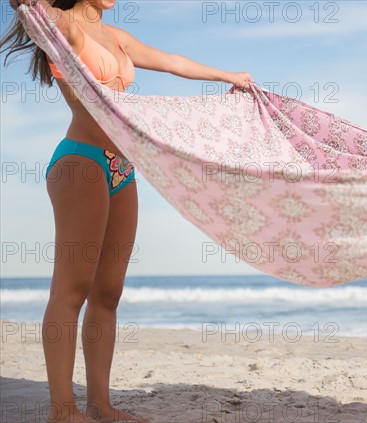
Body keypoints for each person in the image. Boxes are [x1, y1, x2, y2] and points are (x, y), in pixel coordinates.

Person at [1, 1, 254, 421]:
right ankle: (62, 410)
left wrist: (227, 76)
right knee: (71, 289)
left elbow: (171, 61)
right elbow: (30, 9)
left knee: (108, 293)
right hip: (81, 161)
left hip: (121, 168)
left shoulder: (115, 36)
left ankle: (100, 404)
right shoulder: (65, 27)